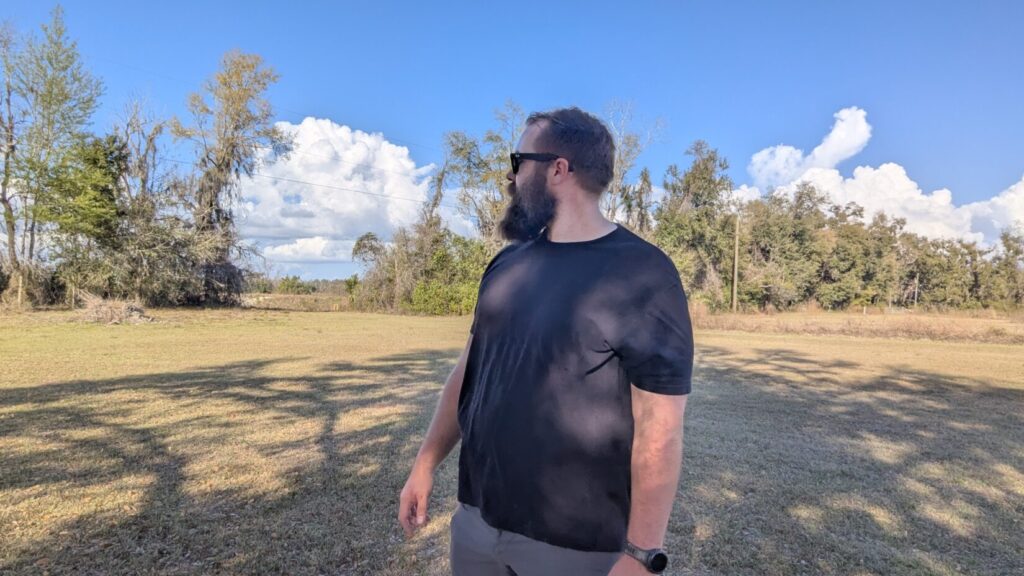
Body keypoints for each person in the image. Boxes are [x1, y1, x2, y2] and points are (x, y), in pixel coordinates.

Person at [398, 107, 694, 576]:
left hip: (574, 548)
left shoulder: (644, 275)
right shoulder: (506, 265)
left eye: (518, 161)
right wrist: (425, 463)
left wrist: (641, 555)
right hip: (476, 524)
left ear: (558, 169)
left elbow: (661, 429)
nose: (511, 178)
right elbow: (467, 375)